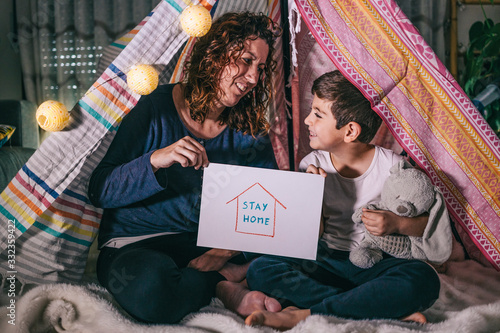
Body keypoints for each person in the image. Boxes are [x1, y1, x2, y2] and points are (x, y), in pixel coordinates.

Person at [88, 12, 282, 324]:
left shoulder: (249, 133)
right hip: (134, 245)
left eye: (260, 67)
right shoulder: (154, 108)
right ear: (215, 54)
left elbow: (268, 214)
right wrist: (156, 159)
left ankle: (222, 274)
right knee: (150, 290)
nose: (254, 78)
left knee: (300, 253)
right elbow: (100, 190)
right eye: (245, 60)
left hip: (204, 245)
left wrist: (224, 252)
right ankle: (221, 285)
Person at [244, 70, 451, 330]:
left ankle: (306, 312)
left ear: (350, 131)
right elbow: (308, 237)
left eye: (318, 114)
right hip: (326, 261)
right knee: (261, 269)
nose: (307, 120)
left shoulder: (394, 167)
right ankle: (370, 307)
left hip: (377, 261)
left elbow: (428, 225)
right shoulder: (311, 164)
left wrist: (397, 224)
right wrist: (312, 196)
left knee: (423, 279)